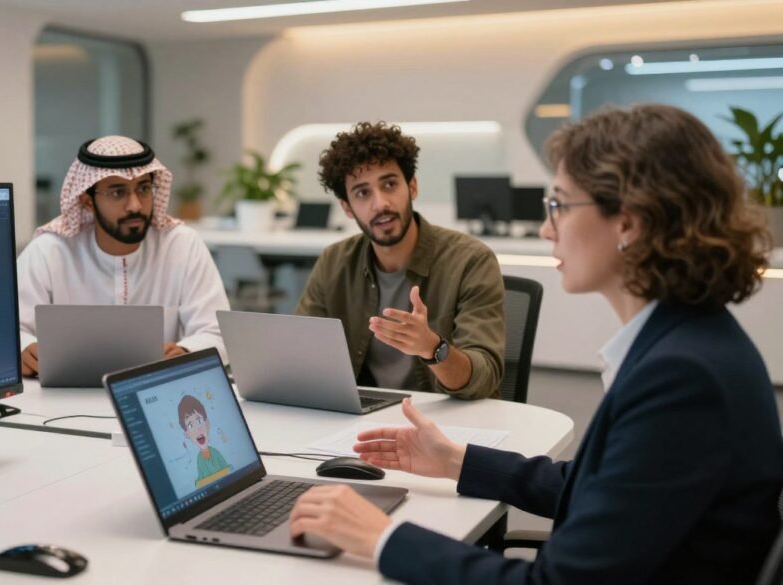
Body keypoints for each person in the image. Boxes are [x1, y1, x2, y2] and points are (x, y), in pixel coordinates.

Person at [288, 105, 783, 583]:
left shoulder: (681, 378)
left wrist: (382, 537)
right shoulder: (687, 343)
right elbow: (594, 484)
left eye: (559, 205)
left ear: (628, 222)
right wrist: (455, 461)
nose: (547, 229)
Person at [295, 122, 505, 398]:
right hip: (362, 424)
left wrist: (433, 349)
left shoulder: (471, 261)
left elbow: (484, 377)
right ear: (347, 207)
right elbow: (300, 354)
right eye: (362, 193)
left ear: (412, 186)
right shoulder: (334, 261)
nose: (380, 203)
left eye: (390, 184)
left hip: (445, 423)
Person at [17, 136, 229, 376]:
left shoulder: (181, 245)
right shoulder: (49, 251)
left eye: (144, 189)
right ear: (87, 201)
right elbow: (8, 330)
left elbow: (217, 332)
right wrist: (24, 348)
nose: (135, 206)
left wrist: (186, 351)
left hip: (153, 393)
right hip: (57, 399)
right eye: (118, 193)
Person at [177, 394, 231, 488]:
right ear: (187, 434)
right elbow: (201, 482)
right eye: (190, 425)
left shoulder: (215, 453)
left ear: (207, 424)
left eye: (199, 421)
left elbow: (228, 471)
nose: (197, 429)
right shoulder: (199, 460)